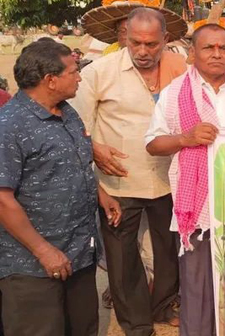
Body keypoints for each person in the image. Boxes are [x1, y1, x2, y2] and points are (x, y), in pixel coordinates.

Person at [145, 24, 225, 336]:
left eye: (223, 48)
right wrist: (185, 138)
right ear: (193, 53)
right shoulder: (174, 94)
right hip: (196, 211)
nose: (216, 54)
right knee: (197, 289)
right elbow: (153, 144)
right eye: (208, 48)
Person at [71, 8, 185, 335]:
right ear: (125, 38)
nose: (143, 51)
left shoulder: (180, 69)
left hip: (168, 177)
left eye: (151, 44)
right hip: (118, 179)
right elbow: (78, 125)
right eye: (136, 43)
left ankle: (163, 305)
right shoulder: (99, 72)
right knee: (122, 257)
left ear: (165, 39)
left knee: (168, 249)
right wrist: (94, 150)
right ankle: (136, 323)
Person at [0, 40, 122, 336]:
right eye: (73, 71)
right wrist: (43, 251)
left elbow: (73, 163)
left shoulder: (67, 112)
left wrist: (100, 194)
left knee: (83, 327)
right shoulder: (10, 126)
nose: (79, 77)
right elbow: (3, 200)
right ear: (50, 80)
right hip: (32, 266)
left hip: (78, 253)